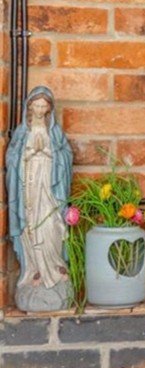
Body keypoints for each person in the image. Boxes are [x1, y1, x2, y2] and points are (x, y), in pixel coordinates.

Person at [6, 86, 73, 312]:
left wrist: (49, 153)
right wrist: (28, 154)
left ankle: (55, 268)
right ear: (30, 106)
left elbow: (66, 155)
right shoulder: (21, 132)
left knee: (51, 224)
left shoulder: (54, 132)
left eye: (45, 106)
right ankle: (34, 269)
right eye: (37, 105)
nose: (41, 109)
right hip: (29, 186)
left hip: (50, 186)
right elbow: (12, 158)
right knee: (32, 225)